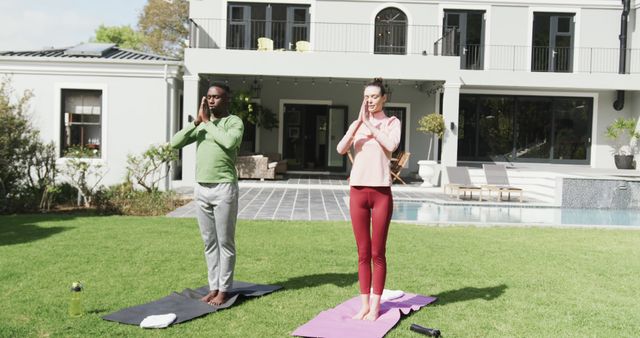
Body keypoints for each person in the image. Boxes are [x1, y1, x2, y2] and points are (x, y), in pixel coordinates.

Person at [170, 83, 244, 306]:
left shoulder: (233, 122)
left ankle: (224, 289)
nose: (211, 101)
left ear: (226, 100)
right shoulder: (202, 124)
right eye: (209, 97)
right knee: (209, 242)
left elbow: (229, 142)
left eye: (217, 97)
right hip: (201, 188)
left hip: (224, 188)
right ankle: (213, 287)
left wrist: (207, 122)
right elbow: (175, 142)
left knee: (225, 242)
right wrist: (196, 122)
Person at [336, 78, 401, 321]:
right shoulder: (357, 124)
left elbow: (391, 145)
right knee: (362, 252)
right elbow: (341, 149)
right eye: (366, 96)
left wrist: (371, 127)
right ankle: (364, 305)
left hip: (381, 192)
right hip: (358, 192)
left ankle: (375, 307)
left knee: (378, 252)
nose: (370, 100)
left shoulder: (392, 123)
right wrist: (357, 125)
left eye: (374, 96)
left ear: (384, 98)